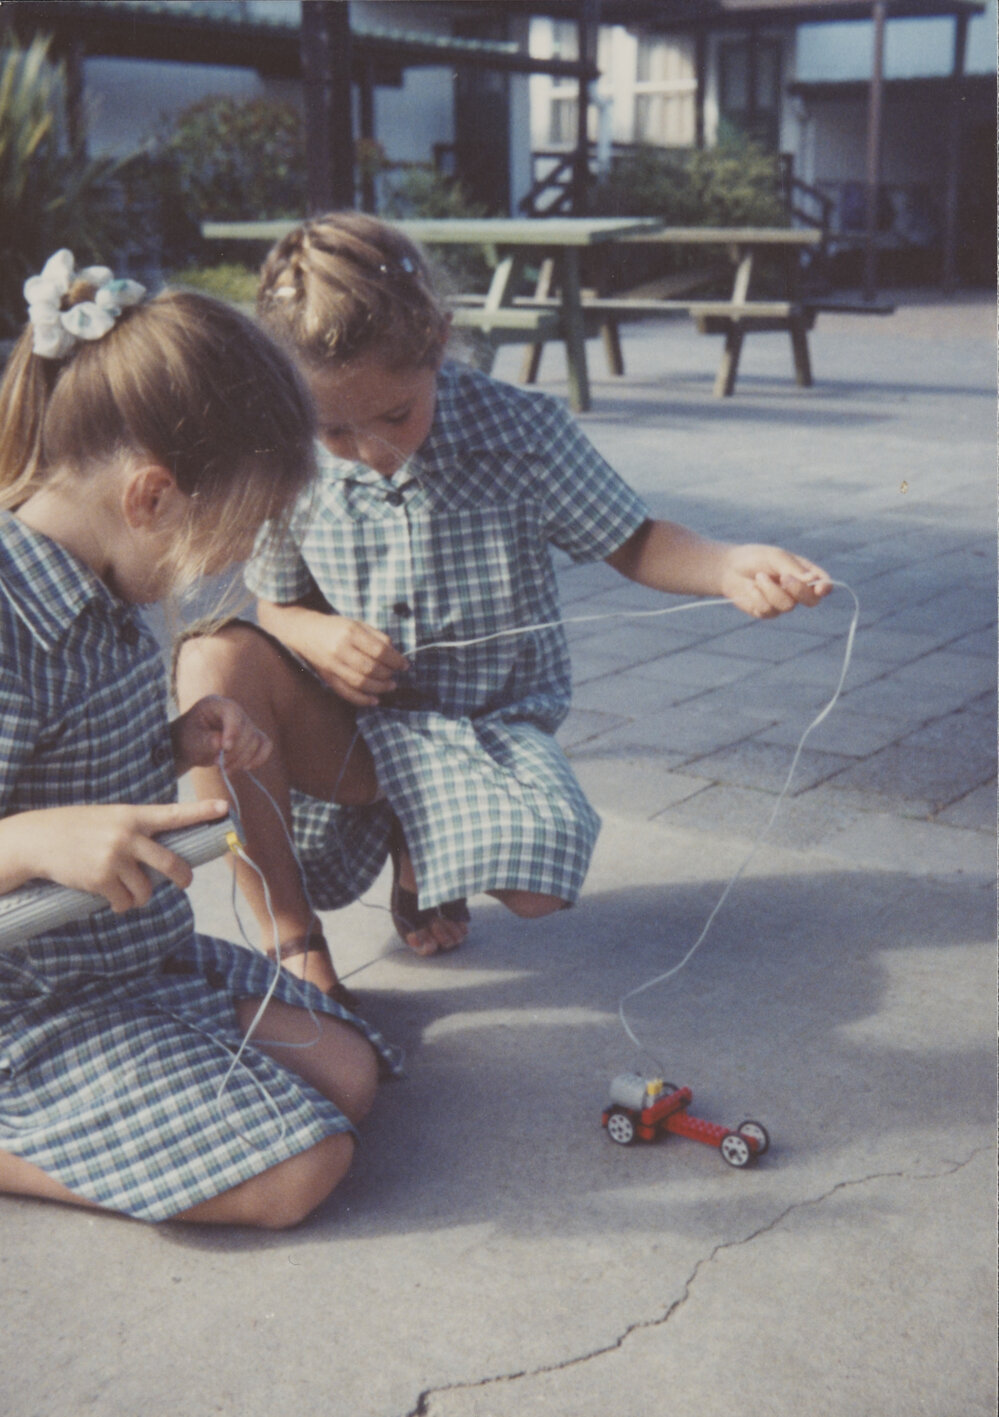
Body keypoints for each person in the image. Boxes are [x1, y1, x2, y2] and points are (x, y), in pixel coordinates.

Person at [175, 212, 831, 974]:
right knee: (210, 661)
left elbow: (635, 539)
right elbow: (273, 606)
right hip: (353, 734)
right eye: (335, 431)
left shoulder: (525, 431)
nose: (372, 452)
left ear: (441, 342)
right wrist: (316, 636)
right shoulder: (292, 452)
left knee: (537, 888)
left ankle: (423, 844)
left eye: (394, 415)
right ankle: (293, 939)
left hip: (480, 734)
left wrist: (725, 565)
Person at [0, 250, 399, 1229]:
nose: (229, 563)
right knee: (302, 1164)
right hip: (29, 1003)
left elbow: (78, 755)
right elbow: (37, 820)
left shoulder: (108, 578)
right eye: (232, 534)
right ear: (151, 495)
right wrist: (32, 842)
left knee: (348, 1072)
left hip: (127, 964)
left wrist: (180, 733)